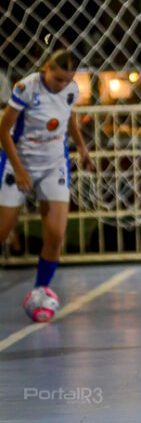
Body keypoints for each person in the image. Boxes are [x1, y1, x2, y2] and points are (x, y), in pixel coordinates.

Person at [0, 49, 94, 321]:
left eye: (67, 80)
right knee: (3, 230)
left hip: (54, 166)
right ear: (46, 69)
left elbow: (69, 117)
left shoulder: (70, 90)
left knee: (55, 235)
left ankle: (41, 290)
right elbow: (3, 131)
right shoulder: (26, 88)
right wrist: (19, 170)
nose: (62, 85)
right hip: (19, 164)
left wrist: (82, 148)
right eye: (58, 79)